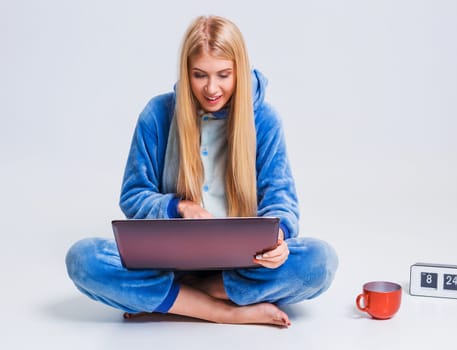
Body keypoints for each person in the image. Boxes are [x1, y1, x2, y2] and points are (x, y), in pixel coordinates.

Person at [66, 15, 338, 328]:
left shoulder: (264, 119)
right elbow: (133, 195)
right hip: (168, 261)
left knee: (320, 261)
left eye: (223, 75)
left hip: (243, 264)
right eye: (199, 75)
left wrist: (279, 237)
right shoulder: (158, 114)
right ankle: (222, 311)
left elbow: (281, 197)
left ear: (239, 70)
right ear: (186, 72)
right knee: (83, 259)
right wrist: (179, 207)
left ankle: (182, 298)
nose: (211, 88)